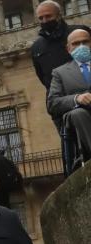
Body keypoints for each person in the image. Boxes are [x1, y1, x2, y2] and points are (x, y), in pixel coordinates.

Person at [47, 28, 91, 163]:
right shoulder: (59, 72)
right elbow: (52, 103)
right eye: (76, 43)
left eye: (85, 42)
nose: (81, 46)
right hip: (80, 113)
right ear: (68, 48)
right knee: (78, 114)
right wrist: (76, 98)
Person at [32, 1, 91, 94]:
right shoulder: (37, 46)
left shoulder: (79, 32)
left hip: (85, 92)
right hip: (59, 99)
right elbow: (42, 76)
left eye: (48, 16)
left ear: (59, 15)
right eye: (41, 18)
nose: (44, 20)